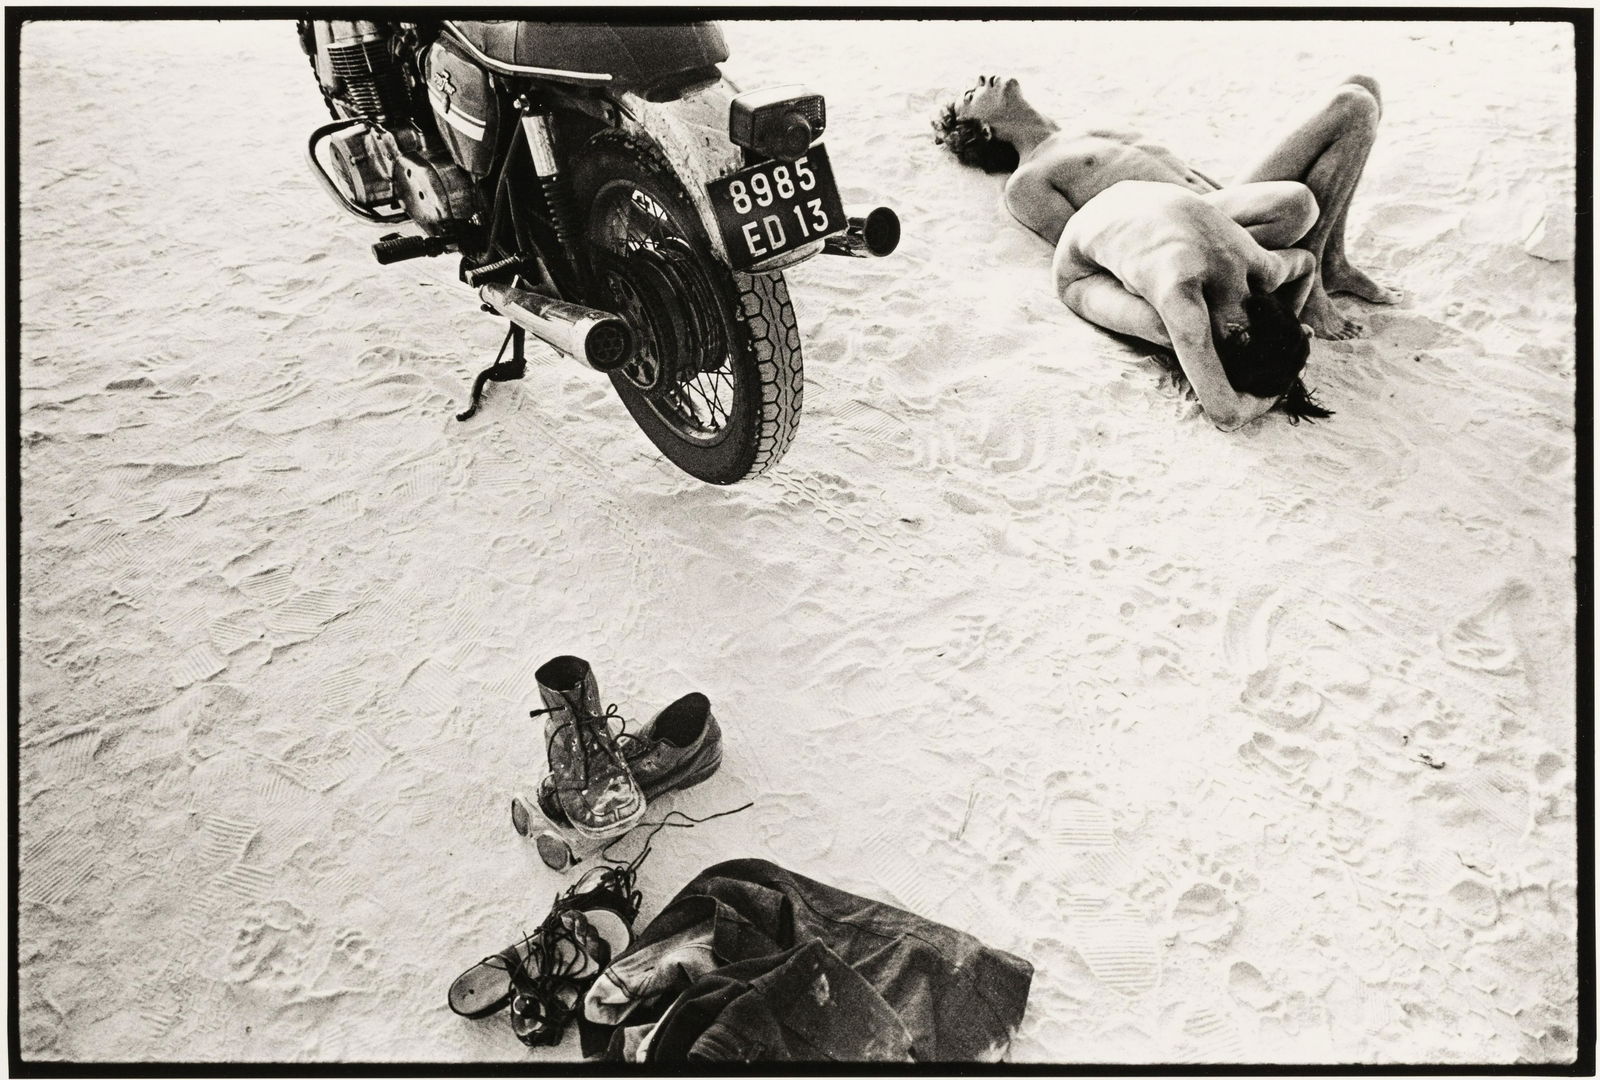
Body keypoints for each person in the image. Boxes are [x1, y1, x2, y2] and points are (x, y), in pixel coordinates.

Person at [932, 74, 1397, 340]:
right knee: (1347, 110)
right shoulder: (1029, 180)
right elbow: (1090, 249)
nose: (980, 82)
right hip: (1193, 231)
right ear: (984, 131)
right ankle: (1312, 284)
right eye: (971, 96)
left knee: (1361, 89)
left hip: (1225, 202)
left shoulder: (1087, 125)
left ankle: (1330, 261)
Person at [1052, 179, 1332, 430]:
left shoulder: (1267, 267)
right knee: (1167, 329)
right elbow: (1227, 414)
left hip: (1134, 195)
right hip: (1078, 269)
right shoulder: (1182, 293)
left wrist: (1287, 335)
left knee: (1187, 331)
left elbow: (1306, 263)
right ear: (1238, 329)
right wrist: (1283, 385)